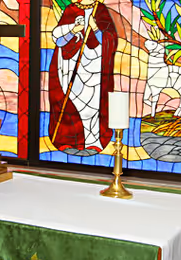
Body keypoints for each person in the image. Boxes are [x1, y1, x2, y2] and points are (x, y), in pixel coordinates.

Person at [47, 0, 118, 157]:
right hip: (71, 66)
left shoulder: (100, 11)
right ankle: (68, 140)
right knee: (71, 103)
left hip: (95, 68)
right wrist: (73, 30)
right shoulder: (70, 10)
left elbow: (111, 40)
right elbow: (59, 40)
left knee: (93, 106)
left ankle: (93, 141)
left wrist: (95, 28)